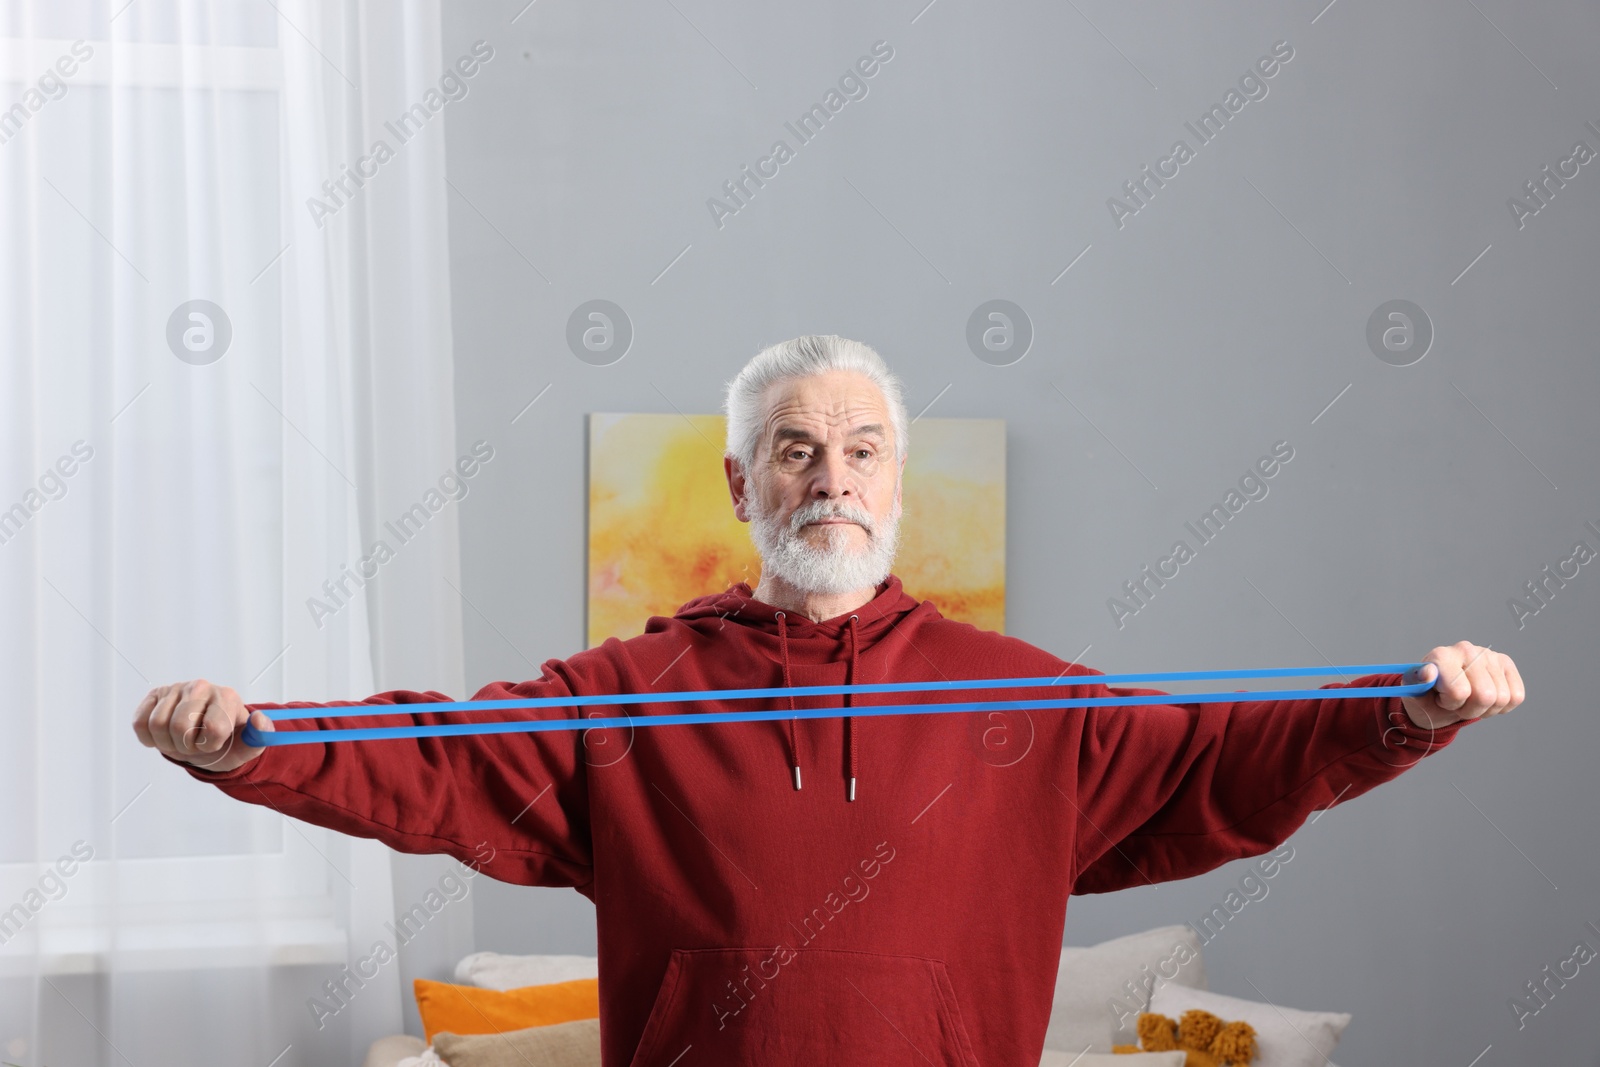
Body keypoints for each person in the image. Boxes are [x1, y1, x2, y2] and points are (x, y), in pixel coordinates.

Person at [134, 334, 1524, 1066]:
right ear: (743, 487)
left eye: (863, 450)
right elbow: (431, 761)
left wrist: (1402, 711)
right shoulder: (626, 695)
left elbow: (1221, 758)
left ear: (896, 486)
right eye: (795, 450)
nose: (832, 478)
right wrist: (255, 745)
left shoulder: (1019, 699)